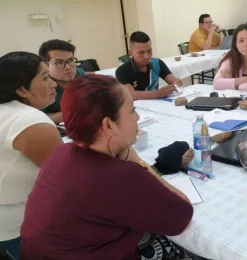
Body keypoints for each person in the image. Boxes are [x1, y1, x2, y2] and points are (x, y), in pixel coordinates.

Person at [20, 74, 200, 259]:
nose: (137, 117)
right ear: (108, 125)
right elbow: (181, 218)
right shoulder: (119, 176)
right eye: (132, 110)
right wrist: (138, 161)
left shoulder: (61, 153)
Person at [0, 52, 62, 259]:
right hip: (20, 226)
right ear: (21, 89)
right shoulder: (30, 120)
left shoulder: (8, 110)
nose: (53, 83)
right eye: (45, 78)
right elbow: (69, 179)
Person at [116, 31, 184, 100]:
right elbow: (131, 95)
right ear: (130, 53)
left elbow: (173, 82)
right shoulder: (122, 71)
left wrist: (177, 83)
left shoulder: (157, 63)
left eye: (149, 51)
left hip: (157, 105)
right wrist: (158, 93)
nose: (146, 56)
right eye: (141, 52)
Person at [39, 39, 86, 124]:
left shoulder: (77, 74)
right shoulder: (42, 87)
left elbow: (90, 74)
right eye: (59, 63)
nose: (68, 67)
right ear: (45, 65)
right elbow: (35, 118)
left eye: (71, 60)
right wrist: (66, 115)